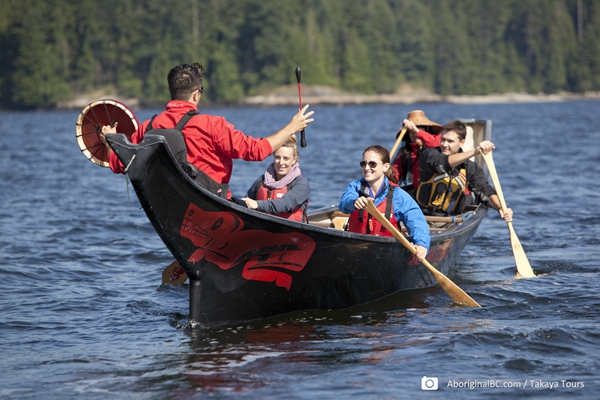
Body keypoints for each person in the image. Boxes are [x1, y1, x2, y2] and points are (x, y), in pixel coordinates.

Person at [99, 62, 314, 199]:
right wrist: (292, 127)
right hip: (212, 206)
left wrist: (109, 142)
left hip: (171, 204)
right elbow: (255, 151)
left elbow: (118, 165)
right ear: (195, 95)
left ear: (169, 92)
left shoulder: (149, 127)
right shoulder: (213, 125)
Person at [338, 145, 430, 260]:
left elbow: (417, 222)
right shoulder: (355, 188)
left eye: (372, 164)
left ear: (385, 167)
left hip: (386, 255)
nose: (366, 168)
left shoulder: (398, 195)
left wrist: (421, 244)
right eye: (363, 164)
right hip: (355, 253)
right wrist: (354, 202)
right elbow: (343, 204)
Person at [416, 119, 513, 222]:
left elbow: (486, 191)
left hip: (451, 219)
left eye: (450, 141)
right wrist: (475, 151)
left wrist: (501, 208)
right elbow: (444, 163)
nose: (444, 144)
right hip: (422, 216)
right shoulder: (429, 155)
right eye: (443, 139)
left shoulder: (470, 167)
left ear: (462, 143)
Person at [242, 135, 309, 222]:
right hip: (261, 229)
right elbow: (246, 202)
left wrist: (257, 204)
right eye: (277, 157)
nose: (281, 163)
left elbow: (285, 204)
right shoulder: (262, 180)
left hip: (289, 231)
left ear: (294, 160)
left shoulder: (301, 183)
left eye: (286, 158)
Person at [391, 110, 442, 197]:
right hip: (418, 193)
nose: (414, 134)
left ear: (426, 130)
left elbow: (436, 142)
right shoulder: (406, 153)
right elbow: (394, 175)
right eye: (411, 131)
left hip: (438, 193)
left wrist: (417, 131)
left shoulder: (439, 145)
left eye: (419, 128)